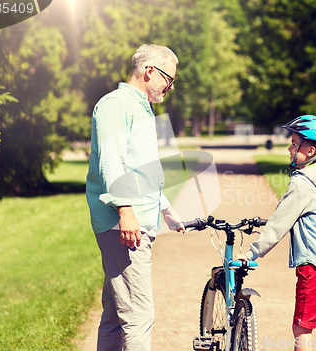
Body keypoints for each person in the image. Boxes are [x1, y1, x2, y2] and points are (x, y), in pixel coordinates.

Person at [86, 44, 185, 351]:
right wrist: (125, 209)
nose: (170, 87)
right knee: (139, 315)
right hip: (124, 223)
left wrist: (165, 208)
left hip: (136, 216)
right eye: (169, 79)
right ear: (149, 71)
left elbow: (142, 167)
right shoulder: (116, 104)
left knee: (116, 314)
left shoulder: (142, 107)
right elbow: (111, 161)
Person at [235, 115, 316, 351]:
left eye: (294, 143)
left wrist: (253, 253)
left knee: (302, 328)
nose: (289, 147)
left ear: (310, 150)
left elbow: (278, 223)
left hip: (315, 266)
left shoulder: (302, 183)